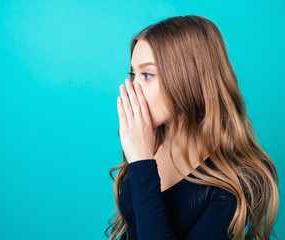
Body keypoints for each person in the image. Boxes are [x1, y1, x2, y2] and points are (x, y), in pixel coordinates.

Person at [104, 15, 279, 240]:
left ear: (189, 77)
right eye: (132, 74)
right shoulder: (148, 143)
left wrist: (141, 164)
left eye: (147, 75)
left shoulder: (240, 177)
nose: (133, 89)